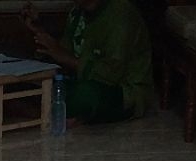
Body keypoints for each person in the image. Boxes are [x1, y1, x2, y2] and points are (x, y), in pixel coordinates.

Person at [22, 0, 153, 124]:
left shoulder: (121, 12)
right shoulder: (77, 12)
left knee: (85, 94)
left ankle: (45, 112)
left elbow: (111, 74)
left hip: (122, 91)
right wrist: (40, 33)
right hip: (80, 81)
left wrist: (66, 57)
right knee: (36, 87)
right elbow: (63, 57)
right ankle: (52, 111)